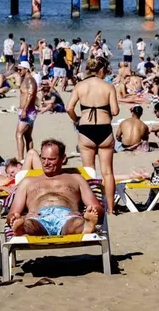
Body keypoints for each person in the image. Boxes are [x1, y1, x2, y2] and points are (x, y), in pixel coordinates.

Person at [7, 139, 101, 236]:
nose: (46, 163)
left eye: (51, 159)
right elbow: (12, 213)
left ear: (63, 158)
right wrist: (22, 217)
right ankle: (22, 230)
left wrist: (91, 212)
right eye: (43, 158)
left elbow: (96, 207)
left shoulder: (76, 179)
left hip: (68, 216)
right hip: (38, 217)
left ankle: (86, 226)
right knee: (29, 224)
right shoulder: (27, 181)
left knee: (76, 223)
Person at [66, 58, 120, 215]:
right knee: (108, 172)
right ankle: (110, 208)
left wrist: (77, 119)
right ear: (101, 70)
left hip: (86, 129)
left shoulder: (80, 86)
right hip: (104, 129)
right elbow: (115, 111)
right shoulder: (108, 86)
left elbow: (69, 107)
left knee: (89, 171)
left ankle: (92, 207)